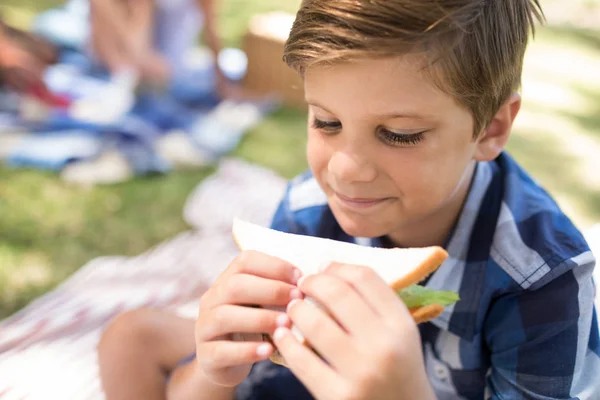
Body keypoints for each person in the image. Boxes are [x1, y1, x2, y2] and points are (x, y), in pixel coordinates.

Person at [97, 1, 600, 399]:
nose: (344, 168)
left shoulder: (542, 278)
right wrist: (215, 372)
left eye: (400, 134)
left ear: (490, 129)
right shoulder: (306, 209)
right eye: (327, 122)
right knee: (128, 338)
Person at [88, 0, 236, 95]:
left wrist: (220, 79)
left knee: (158, 71)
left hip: (169, 62)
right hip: (140, 52)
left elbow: (211, 29)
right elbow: (138, 34)